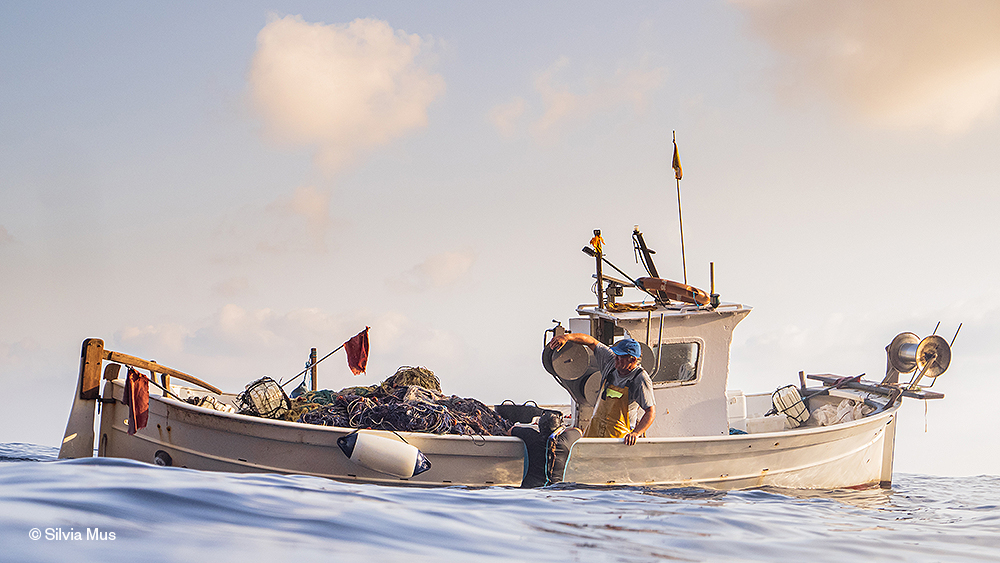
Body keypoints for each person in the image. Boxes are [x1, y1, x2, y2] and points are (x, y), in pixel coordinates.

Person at [547, 334, 656, 445]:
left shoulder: (640, 378)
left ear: (632, 360)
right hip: (595, 431)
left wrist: (636, 433)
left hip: (619, 438)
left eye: (620, 358)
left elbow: (650, 412)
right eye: (616, 356)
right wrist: (567, 337)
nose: (616, 360)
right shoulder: (611, 362)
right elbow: (591, 342)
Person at [509, 411, 563, 488]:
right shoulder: (565, 440)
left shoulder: (530, 435)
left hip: (529, 488)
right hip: (556, 489)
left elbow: (510, 431)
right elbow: (579, 431)